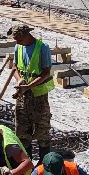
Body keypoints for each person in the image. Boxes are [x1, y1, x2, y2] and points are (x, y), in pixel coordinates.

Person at [9, 24, 53, 155]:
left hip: (39, 95)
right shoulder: (18, 47)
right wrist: (19, 80)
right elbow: (14, 67)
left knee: (42, 128)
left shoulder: (42, 48)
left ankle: (44, 159)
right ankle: (26, 158)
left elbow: (46, 73)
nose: (17, 42)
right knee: (22, 129)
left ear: (27, 35)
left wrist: (29, 86)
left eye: (19, 39)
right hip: (22, 94)